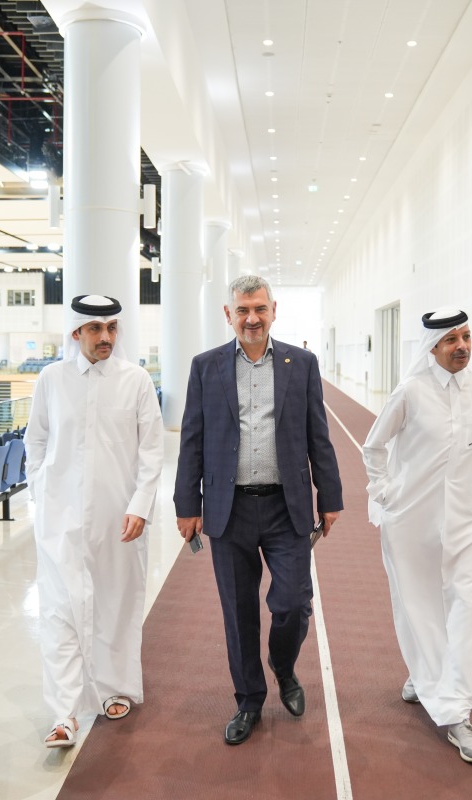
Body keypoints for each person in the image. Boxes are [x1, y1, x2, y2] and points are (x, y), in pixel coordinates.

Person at [174, 274, 344, 745]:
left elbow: (318, 434)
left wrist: (330, 496)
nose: (252, 319)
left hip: (286, 507)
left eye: (259, 309)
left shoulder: (301, 364)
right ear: (228, 314)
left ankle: (282, 665)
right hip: (228, 509)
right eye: (243, 310)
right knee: (239, 611)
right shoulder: (205, 367)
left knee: (293, 603)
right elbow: (192, 439)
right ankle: (249, 700)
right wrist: (187, 505)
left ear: (273, 310)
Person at [362, 307, 472, 764]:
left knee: (465, 609)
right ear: (431, 347)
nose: (462, 346)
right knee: (419, 607)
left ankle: (456, 712)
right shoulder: (410, 391)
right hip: (411, 522)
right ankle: (425, 671)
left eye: (466, 337)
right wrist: (384, 492)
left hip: (469, 522)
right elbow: (373, 446)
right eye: (451, 340)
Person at [25, 295, 164, 748]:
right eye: (95, 328)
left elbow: (152, 449)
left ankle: (114, 688)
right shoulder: (51, 379)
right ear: (76, 333)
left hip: (119, 518)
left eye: (111, 328)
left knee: (115, 603)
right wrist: (41, 492)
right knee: (59, 610)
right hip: (59, 519)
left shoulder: (135, 380)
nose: (106, 336)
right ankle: (63, 712)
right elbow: (36, 441)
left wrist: (140, 505)